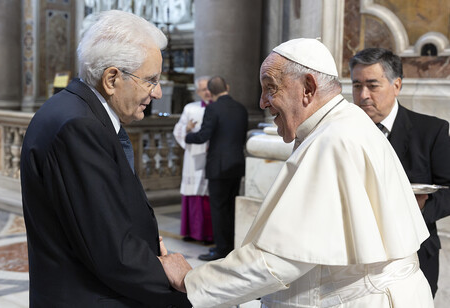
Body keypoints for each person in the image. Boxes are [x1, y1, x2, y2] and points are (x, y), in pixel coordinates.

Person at [159, 38, 434, 307]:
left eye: (270, 88)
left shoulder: (333, 139)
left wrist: (192, 280)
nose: (262, 102)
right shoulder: (341, 124)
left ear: (308, 88)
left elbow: (279, 260)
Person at [20, 10, 190, 307]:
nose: (159, 92)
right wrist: (186, 286)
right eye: (150, 80)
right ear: (112, 78)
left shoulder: (74, 112)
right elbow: (110, 251)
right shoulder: (78, 127)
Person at [349, 47, 450, 298]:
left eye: (372, 85)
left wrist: (422, 207)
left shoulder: (431, 131)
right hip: (354, 261)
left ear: (397, 85)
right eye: (356, 85)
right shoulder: (342, 134)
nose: (363, 95)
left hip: (413, 256)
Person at [184, 76, 248, 261]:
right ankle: (231, 246)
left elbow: (204, 135)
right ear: (227, 87)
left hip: (218, 166)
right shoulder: (241, 108)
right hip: (236, 164)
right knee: (230, 207)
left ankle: (221, 250)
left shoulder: (213, 108)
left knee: (219, 209)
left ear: (210, 93)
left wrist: (188, 135)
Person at [173, 76, 214, 244]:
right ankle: (191, 232)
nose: (207, 92)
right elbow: (178, 130)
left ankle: (207, 235)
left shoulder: (217, 108)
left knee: (206, 195)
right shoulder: (190, 108)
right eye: (203, 89)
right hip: (192, 155)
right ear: (197, 92)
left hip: (210, 155)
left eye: (209, 88)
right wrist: (186, 128)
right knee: (192, 193)